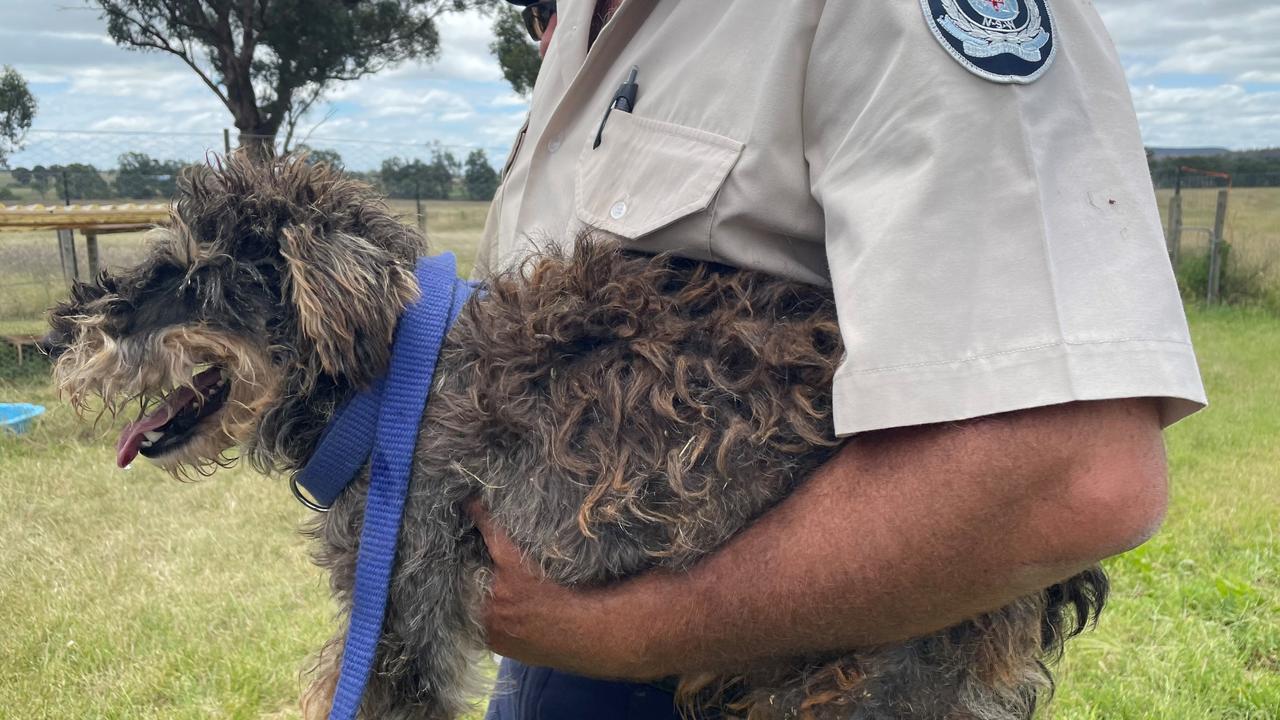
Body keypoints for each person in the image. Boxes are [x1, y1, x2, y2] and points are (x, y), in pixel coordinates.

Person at [472, 1, 1207, 717]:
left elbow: (1069, 467)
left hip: (764, 677)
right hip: (551, 649)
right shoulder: (577, 24)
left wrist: (627, 635)